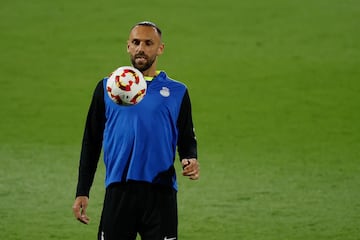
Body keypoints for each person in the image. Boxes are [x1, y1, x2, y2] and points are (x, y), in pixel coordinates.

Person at [72, 21, 200, 240]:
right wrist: (82, 190)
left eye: (148, 43)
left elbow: (186, 136)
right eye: (136, 42)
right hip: (119, 189)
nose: (141, 48)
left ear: (160, 48)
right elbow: (91, 142)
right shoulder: (108, 87)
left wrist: (190, 158)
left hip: (161, 192)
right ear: (128, 47)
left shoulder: (178, 91)